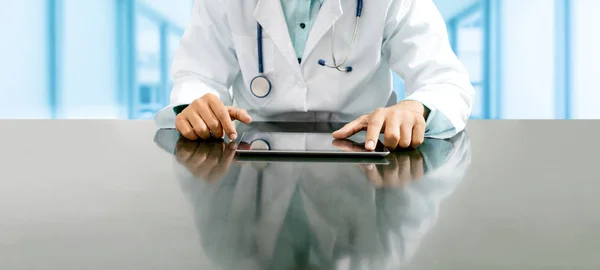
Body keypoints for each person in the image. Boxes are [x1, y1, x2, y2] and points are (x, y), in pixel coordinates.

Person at [154, 0, 475, 150]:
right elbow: (197, 73)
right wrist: (194, 104)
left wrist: (416, 108)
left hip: (366, 155)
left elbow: (443, 78)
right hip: (252, 158)